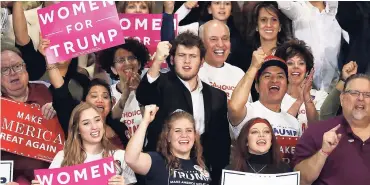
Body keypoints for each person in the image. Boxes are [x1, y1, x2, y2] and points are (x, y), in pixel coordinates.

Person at [136, 32, 230, 185]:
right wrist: (157, 61)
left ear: (201, 62)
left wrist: (218, 176)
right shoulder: (162, 84)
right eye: (181, 55)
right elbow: (144, 95)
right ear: (172, 59)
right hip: (163, 169)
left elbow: (221, 142)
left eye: (193, 56)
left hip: (201, 171)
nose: (187, 61)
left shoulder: (217, 96)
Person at [38, 39, 129, 148]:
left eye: (105, 96)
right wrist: (50, 61)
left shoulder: (120, 128)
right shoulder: (74, 125)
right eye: (94, 96)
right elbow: (61, 91)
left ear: (112, 102)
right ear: (84, 102)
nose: (99, 100)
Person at [31, 102, 136, 185]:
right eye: (86, 123)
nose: (94, 127)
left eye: (97, 120)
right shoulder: (63, 156)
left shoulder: (121, 156)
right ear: (78, 130)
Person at [293, 74, 370, 185]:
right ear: (342, 98)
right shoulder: (317, 131)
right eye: (354, 93)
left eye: (367, 95)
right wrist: (323, 152)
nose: (361, 98)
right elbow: (300, 180)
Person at [228, 53, 301, 165]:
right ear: (256, 87)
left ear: (286, 86)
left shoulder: (294, 123)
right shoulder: (248, 111)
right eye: (267, 76)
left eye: (280, 76)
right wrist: (253, 67)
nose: (274, 80)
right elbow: (234, 106)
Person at [1, 42, 56, 185]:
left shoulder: (46, 89)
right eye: (5, 69)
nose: (13, 72)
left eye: (17, 66)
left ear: (25, 67)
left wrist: (59, 108)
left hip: (55, 173)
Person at [125, 105, 211, 185]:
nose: (184, 135)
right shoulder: (157, 161)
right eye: (178, 131)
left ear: (195, 136)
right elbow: (131, 159)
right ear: (168, 137)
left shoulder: (202, 167)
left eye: (189, 130)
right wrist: (145, 121)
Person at [277, 1, 345, 93]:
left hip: (334, 85)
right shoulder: (299, 9)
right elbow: (283, 4)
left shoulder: (336, 9)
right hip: (305, 86)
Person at [229, 1, 292, 100]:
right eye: (263, 20)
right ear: (256, 26)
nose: (268, 25)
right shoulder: (242, 56)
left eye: (274, 20)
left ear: (280, 27)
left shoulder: (289, 55)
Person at [99, 38, 150, 140]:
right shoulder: (107, 93)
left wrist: (139, 92)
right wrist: (125, 95)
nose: (127, 63)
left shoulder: (152, 88)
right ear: (113, 69)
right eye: (121, 60)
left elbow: (152, 120)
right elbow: (109, 121)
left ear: (139, 64)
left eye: (131, 58)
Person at [275, 39, 328, 130]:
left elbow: (318, 129)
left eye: (301, 63)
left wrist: (306, 97)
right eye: (290, 63)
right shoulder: (275, 97)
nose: (296, 67)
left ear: (308, 70)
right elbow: (280, 129)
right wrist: (299, 100)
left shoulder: (320, 96)